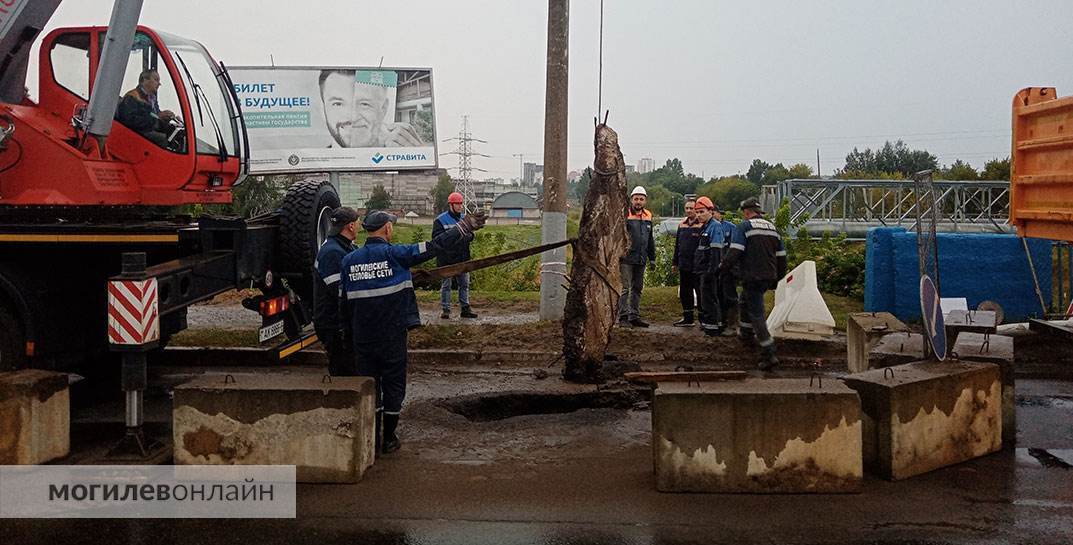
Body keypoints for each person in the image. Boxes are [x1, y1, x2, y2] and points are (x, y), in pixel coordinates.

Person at [340, 209, 486, 454]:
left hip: (362, 337)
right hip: (392, 334)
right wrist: (464, 228)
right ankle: (388, 438)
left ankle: (372, 437)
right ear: (387, 229)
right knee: (394, 383)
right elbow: (433, 247)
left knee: (371, 383)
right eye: (391, 225)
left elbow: (342, 304)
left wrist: (347, 335)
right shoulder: (397, 255)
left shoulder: (348, 261)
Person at [718, 197, 787, 371]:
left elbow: (736, 251)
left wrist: (722, 268)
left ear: (746, 212)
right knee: (744, 300)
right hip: (768, 275)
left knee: (757, 313)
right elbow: (782, 257)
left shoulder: (745, 227)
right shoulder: (773, 228)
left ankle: (768, 351)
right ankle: (746, 334)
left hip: (752, 275)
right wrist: (778, 278)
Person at [318, 69, 423, 148]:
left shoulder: (400, 154)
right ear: (323, 111)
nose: (353, 118)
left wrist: (420, 164)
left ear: (383, 109)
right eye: (338, 104)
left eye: (364, 104)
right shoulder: (314, 167)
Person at [312, 207, 359, 376]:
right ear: (351, 226)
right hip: (334, 324)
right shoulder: (332, 252)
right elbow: (340, 292)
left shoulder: (344, 247)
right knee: (344, 370)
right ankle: (342, 401)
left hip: (340, 323)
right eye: (358, 222)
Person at [433, 192, 477, 319]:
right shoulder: (440, 220)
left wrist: (469, 236)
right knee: (446, 285)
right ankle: (446, 310)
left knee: (464, 284)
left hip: (463, 258)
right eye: (457, 204)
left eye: (461, 203)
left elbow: (472, 235)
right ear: (451, 205)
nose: (460, 206)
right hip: (447, 259)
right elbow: (437, 239)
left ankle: (465, 309)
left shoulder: (465, 218)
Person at [619, 186, 656, 328]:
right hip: (626, 258)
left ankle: (634, 316)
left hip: (641, 258)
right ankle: (623, 317)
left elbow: (650, 239)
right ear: (631, 200)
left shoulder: (648, 215)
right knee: (625, 288)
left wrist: (652, 258)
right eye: (636, 199)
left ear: (645, 201)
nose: (638, 202)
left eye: (641, 199)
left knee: (637, 288)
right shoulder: (625, 214)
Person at [115, 69, 177, 148]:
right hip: (135, 133)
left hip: (148, 127)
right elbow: (130, 121)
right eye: (156, 80)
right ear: (144, 80)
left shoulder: (152, 98)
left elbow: (155, 115)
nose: (159, 84)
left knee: (174, 132)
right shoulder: (132, 97)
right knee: (162, 138)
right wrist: (157, 117)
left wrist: (165, 118)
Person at [692, 197, 725, 335]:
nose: (699, 215)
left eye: (702, 211)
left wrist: (712, 272)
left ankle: (713, 328)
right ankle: (709, 325)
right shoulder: (705, 226)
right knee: (705, 299)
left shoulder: (715, 226)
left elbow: (716, 251)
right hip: (702, 269)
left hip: (709, 271)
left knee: (710, 299)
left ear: (710, 211)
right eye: (697, 212)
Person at [671, 198, 702, 326]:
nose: (689, 211)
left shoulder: (701, 225)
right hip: (684, 265)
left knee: (700, 292)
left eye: (691, 208)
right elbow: (677, 245)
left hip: (697, 265)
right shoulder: (682, 224)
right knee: (685, 292)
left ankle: (703, 319)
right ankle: (688, 318)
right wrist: (675, 262)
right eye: (687, 208)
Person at [715, 206, 740, 334]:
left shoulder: (731, 227)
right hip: (716, 267)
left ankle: (732, 324)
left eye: (715, 213)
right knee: (718, 295)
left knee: (729, 295)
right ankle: (721, 322)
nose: (713, 215)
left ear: (720, 214)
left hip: (729, 267)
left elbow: (735, 249)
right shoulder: (709, 227)